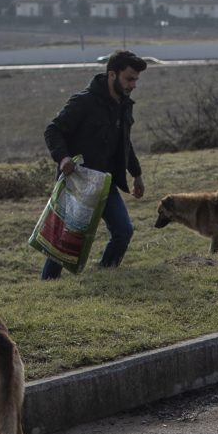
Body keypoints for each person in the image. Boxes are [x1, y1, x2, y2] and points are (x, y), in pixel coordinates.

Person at [42, 49, 148, 279]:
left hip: (104, 182)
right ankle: (47, 286)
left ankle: (104, 276)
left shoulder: (124, 104)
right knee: (62, 242)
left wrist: (136, 173)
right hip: (77, 181)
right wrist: (63, 158)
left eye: (136, 80)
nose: (133, 85)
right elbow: (53, 130)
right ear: (112, 75)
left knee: (123, 231)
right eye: (129, 78)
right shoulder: (84, 102)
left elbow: (124, 142)